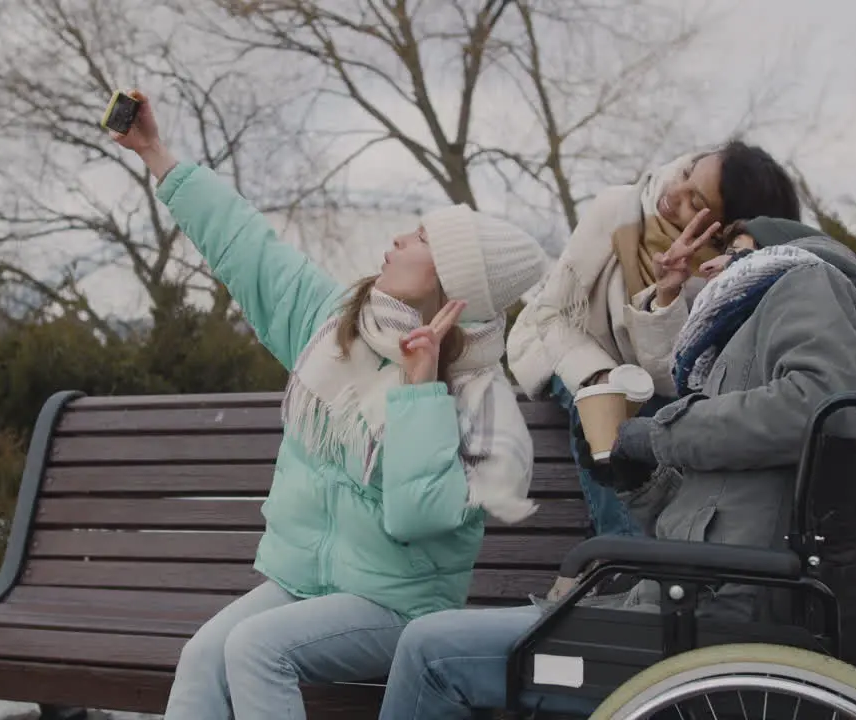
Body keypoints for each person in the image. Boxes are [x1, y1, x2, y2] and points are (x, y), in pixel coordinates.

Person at [109, 90, 549, 720]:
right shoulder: (337, 326)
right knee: (205, 653)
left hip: (398, 605)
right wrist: (157, 154)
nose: (399, 238)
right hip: (308, 584)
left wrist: (420, 388)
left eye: (421, 238)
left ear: (452, 284)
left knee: (257, 648)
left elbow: (416, 516)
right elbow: (248, 248)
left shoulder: (480, 400)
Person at [377, 216, 856, 719]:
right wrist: (636, 477)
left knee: (430, 651)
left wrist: (659, 433)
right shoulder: (742, 345)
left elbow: (816, 404)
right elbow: (712, 513)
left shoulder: (807, 277)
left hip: (712, 619)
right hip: (691, 601)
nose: (713, 268)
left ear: (779, 247)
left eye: (734, 252)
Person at [506, 142, 800, 545]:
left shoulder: (730, 277)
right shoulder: (618, 210)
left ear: (729, 229)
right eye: (685, 174)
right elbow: (553, 315)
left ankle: (669, 557)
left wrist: (667, 296)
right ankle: (620, 560)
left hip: (649, 381)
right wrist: (599, 372)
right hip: (562, 345)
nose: (672, 194)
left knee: (663, 416)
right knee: (606, 404)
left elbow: (671, 379)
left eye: (694, 200)